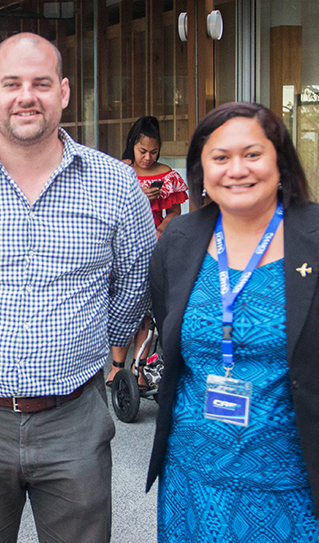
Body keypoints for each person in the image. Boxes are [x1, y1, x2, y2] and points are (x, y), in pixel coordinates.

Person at [0, 33, 155, 543]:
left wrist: (105, 348)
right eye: (12, 83)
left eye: (41, 83)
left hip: (75, 420)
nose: (27, 96)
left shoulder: (116, 184)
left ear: (63, 92)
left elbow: (137, 277)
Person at [145, 102, 319, 542]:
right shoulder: (178, 242)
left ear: (280, 160)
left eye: (252, 154)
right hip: (194, 475)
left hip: (297, 479)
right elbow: (170, 330)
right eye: (220, 157)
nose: (237, 169)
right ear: (201, 167)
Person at [106, 116, 189, 388]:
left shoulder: (167, 175)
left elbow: (175, 213)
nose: (148, 157)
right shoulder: (119, 173)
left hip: (156, 248)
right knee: (124, 306)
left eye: (153, 152)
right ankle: (117, 367)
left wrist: (159, 230)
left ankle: (138, 367)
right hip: (125, 249)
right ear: (133, 145)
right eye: (142, 151)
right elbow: (110, 212)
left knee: (147, 311)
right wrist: (141, 199)